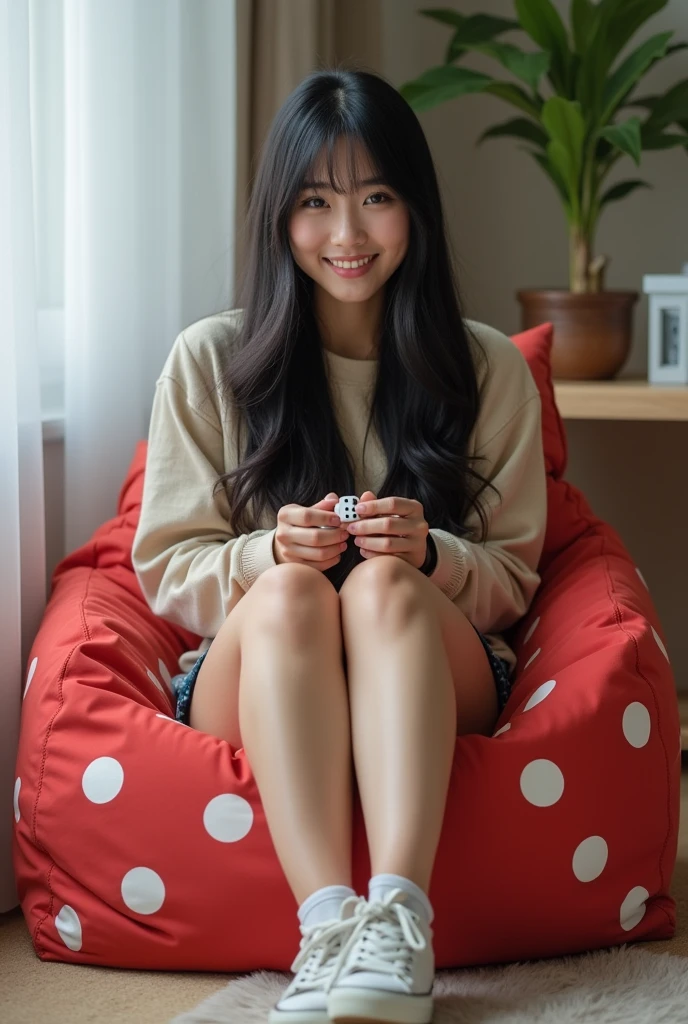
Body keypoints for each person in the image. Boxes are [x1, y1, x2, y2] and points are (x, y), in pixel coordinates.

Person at [132, 64, 547, 1024]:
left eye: (376, 199)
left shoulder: (485, 368)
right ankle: (327, 925)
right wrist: (263, 557)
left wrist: (433, 556)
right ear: (282, 216)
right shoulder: (212, 362)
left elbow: (516, 576)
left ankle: (399, 919)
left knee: (385, 591)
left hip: (439, 662)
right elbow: (166, 570)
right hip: (257, 671)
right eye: (317, 202)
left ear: (415, 210)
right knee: (294, 597)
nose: (348, 234)